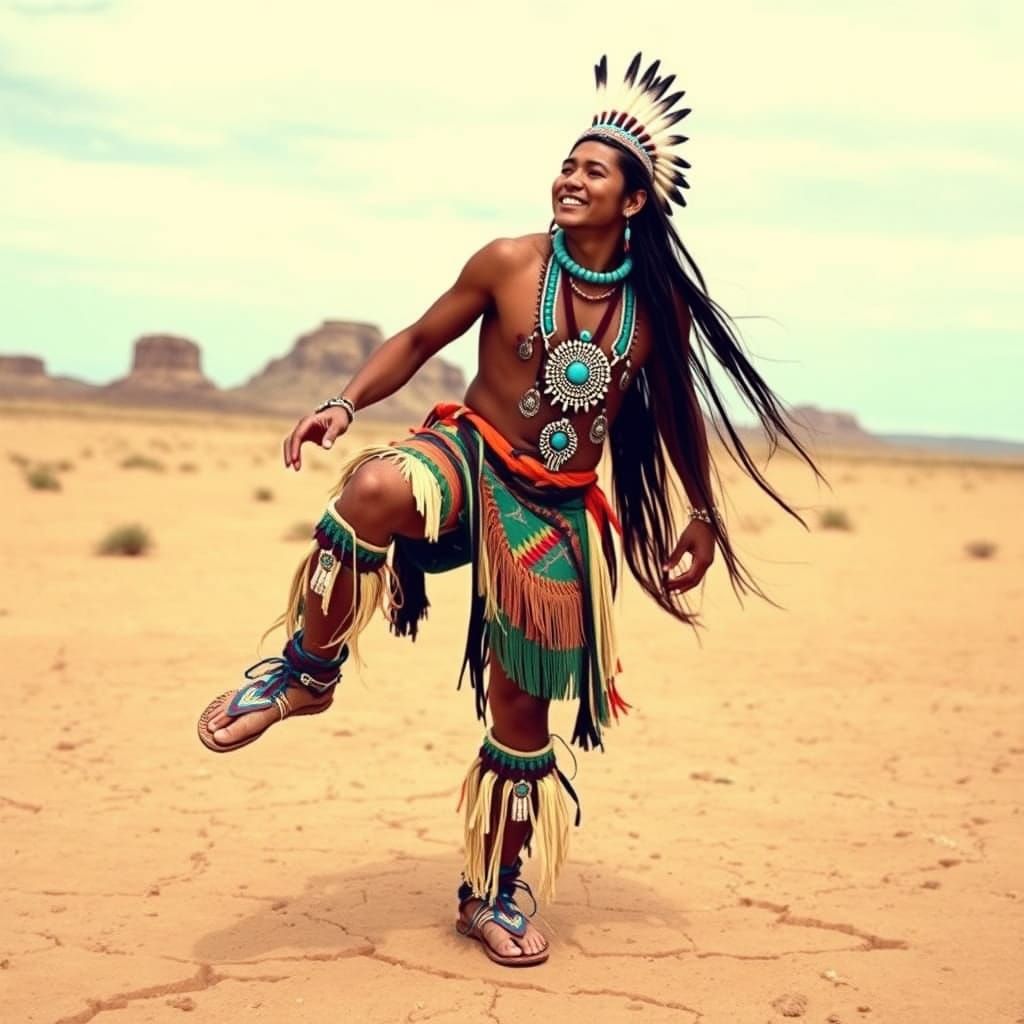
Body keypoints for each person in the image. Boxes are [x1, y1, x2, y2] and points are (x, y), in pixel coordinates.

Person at [197, 52, 824, 967]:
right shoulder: (507, 262)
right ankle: (305, 669)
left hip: (555, 509)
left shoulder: (656, 310)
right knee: (372, 488)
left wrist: (704, 513)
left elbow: (681, 418)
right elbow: (417, 337)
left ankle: (494, 889)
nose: (570, 179)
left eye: (593, 170)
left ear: (634, 202)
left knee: (522, 714)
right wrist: (345, 401)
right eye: (566, 165)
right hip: (468, 455)